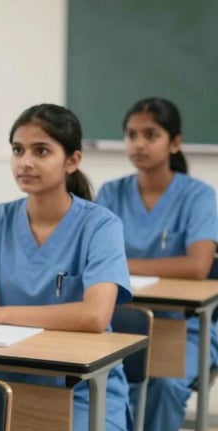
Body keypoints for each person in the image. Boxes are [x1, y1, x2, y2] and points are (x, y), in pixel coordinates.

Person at [0, 104, 132, 431]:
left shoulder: (100, 225)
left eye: (41, 151)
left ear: (72, 161)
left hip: (80, 385)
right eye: (18, 150)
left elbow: (95, 316)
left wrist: (0, 314)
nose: (25, 162)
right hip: (6, 380)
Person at [96, 97, 218, 431]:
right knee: (98, 385)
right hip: (120, 320)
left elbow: (197, 266)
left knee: (165, 385)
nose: (138, 144)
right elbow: (92, 260)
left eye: (151, 135)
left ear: (175, 142)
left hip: (183, 325)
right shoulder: (111, 192)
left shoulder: (198, 195)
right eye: (131, 135)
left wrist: (121, 264)